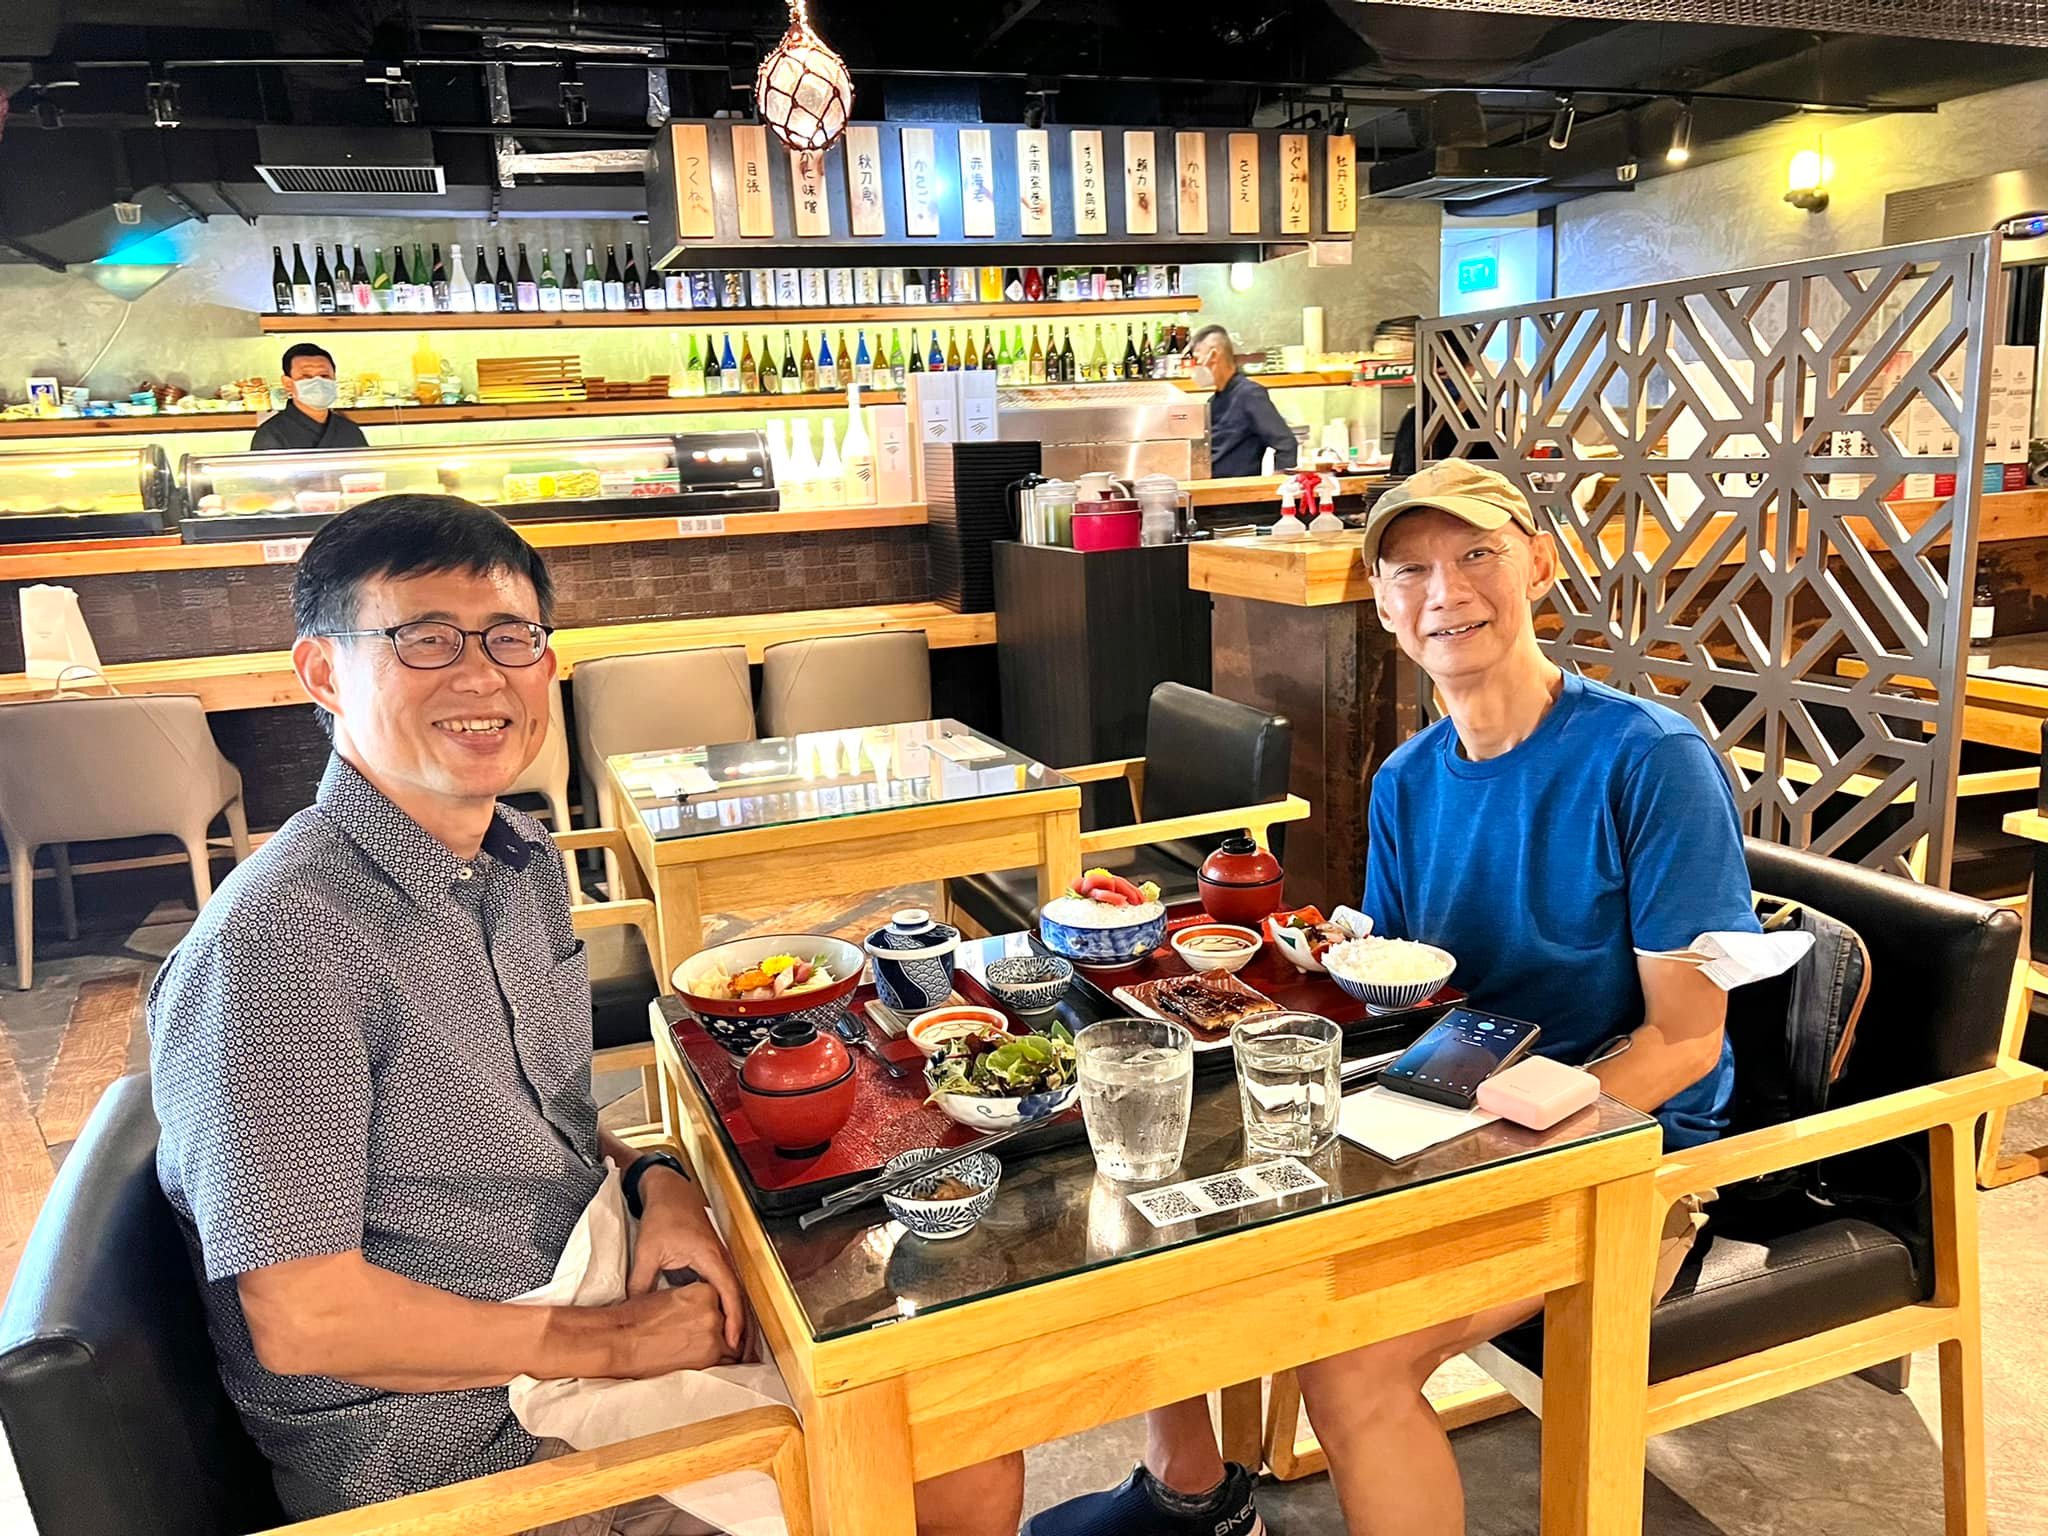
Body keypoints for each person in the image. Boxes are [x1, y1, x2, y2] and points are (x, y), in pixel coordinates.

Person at [148, 494, 1022, 1536]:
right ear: (324, 673)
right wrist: (617, 1342)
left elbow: (539, 1124)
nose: (481, 676)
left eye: (509, 637)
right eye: (425, 639)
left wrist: (657, 1182)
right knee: (940, 1459)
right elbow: (305, 1318)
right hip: (460, 1447)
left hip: (589, 1275)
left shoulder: (514, 859)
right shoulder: (280, 943)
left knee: (951, 1374)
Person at [1030, 458, 1757, 1536]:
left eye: (1476, 555)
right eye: (1409, 571)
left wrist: (1509, 1137)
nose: (1443, 591)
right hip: (1442, 1109)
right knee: (1162, 1197)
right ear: (1380, 604)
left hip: (1623, 1149)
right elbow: (1401, 990)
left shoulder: (1647, 759)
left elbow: (1686, 1040)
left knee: (1350, 1361)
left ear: (1537, 566)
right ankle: (1191, 1497)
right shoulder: (1407, 779)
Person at [1190, 324, 1297, 478]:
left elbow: (1286, 444)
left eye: (1197, 359)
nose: (1195, 368)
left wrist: (1277, 483)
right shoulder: (1213, 401)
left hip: (1238, 490)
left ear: (1214, 355)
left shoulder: (1250, 394)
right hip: (1212, 487)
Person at [250, 342, 370, 451]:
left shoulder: (350, 431)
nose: (318, 382)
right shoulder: (271, 434)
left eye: (324, 376)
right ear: (288, 383)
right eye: (307, 377)